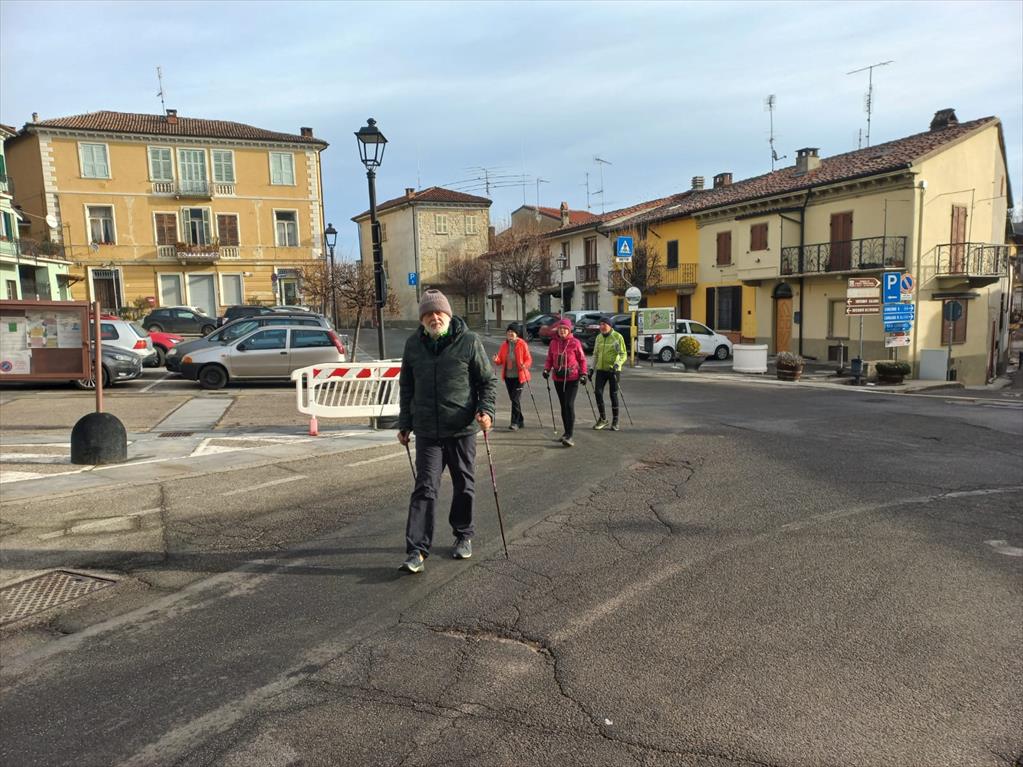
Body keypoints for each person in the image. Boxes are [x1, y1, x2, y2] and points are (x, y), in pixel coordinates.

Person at [397, 289, 497, 574]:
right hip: (427, 431)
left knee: (464, 484)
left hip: (461, 429)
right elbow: (407, 387)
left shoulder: (469, 341)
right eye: (428, 314)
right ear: (422, 319)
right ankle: (417, 550)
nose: (434, 318)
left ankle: (463, 534)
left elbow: (487, 381)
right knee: (425, 488)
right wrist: (404, 423)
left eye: (439, 313)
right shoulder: (413, 345)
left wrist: (486, 410)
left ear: (448, 315)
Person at [543, 317, 587, 447]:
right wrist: (546, 369)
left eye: (565, 329)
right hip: (558, 377)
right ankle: (566, 433)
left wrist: (583, 374)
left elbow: (582, 360)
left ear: (569, 330)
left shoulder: (575, 342)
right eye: (560, 328)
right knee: (563, 405)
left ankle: (570, 436)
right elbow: (549, 359)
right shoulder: (553, 343)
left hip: (572, 378)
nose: (562, 331)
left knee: (569, 404)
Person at [589, 317, 627, 431]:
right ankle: (603, 419)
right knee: (598, 393)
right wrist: (591, 369)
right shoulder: (599, 337)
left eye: (604, 324)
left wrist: (617, 364)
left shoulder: (617, 337)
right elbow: (595, 354)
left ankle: (615, 421)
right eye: (600, 324)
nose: (601, 327)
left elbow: (623, 354)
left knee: (613, 394)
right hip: (601, 370)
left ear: (610, 326)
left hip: (613, 370)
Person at [492, 323, 533, 430]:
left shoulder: (522, 344)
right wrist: (496, 360)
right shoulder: (504, 345)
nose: (510, 333)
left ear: (517, 333)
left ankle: (514, 422)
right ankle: (521, 420)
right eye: (508, 331)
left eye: (512, 332)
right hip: (508, 376)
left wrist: (525, 365)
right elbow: (500, 360)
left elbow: (529, 359)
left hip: (520, 376)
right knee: (514, 399)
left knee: (515, 399)